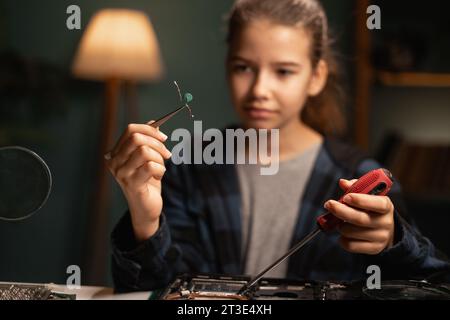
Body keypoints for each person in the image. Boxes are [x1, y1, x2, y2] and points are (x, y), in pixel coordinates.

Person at [107, 0, 449, 292]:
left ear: (316, 76)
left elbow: (434, 283)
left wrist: (393, 242)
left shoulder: (359, 175)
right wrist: (145, 219)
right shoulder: (187, 164)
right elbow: (160, 291)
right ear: (227, 67)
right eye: (243, 67)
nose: (260, 89)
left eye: (284, 71)